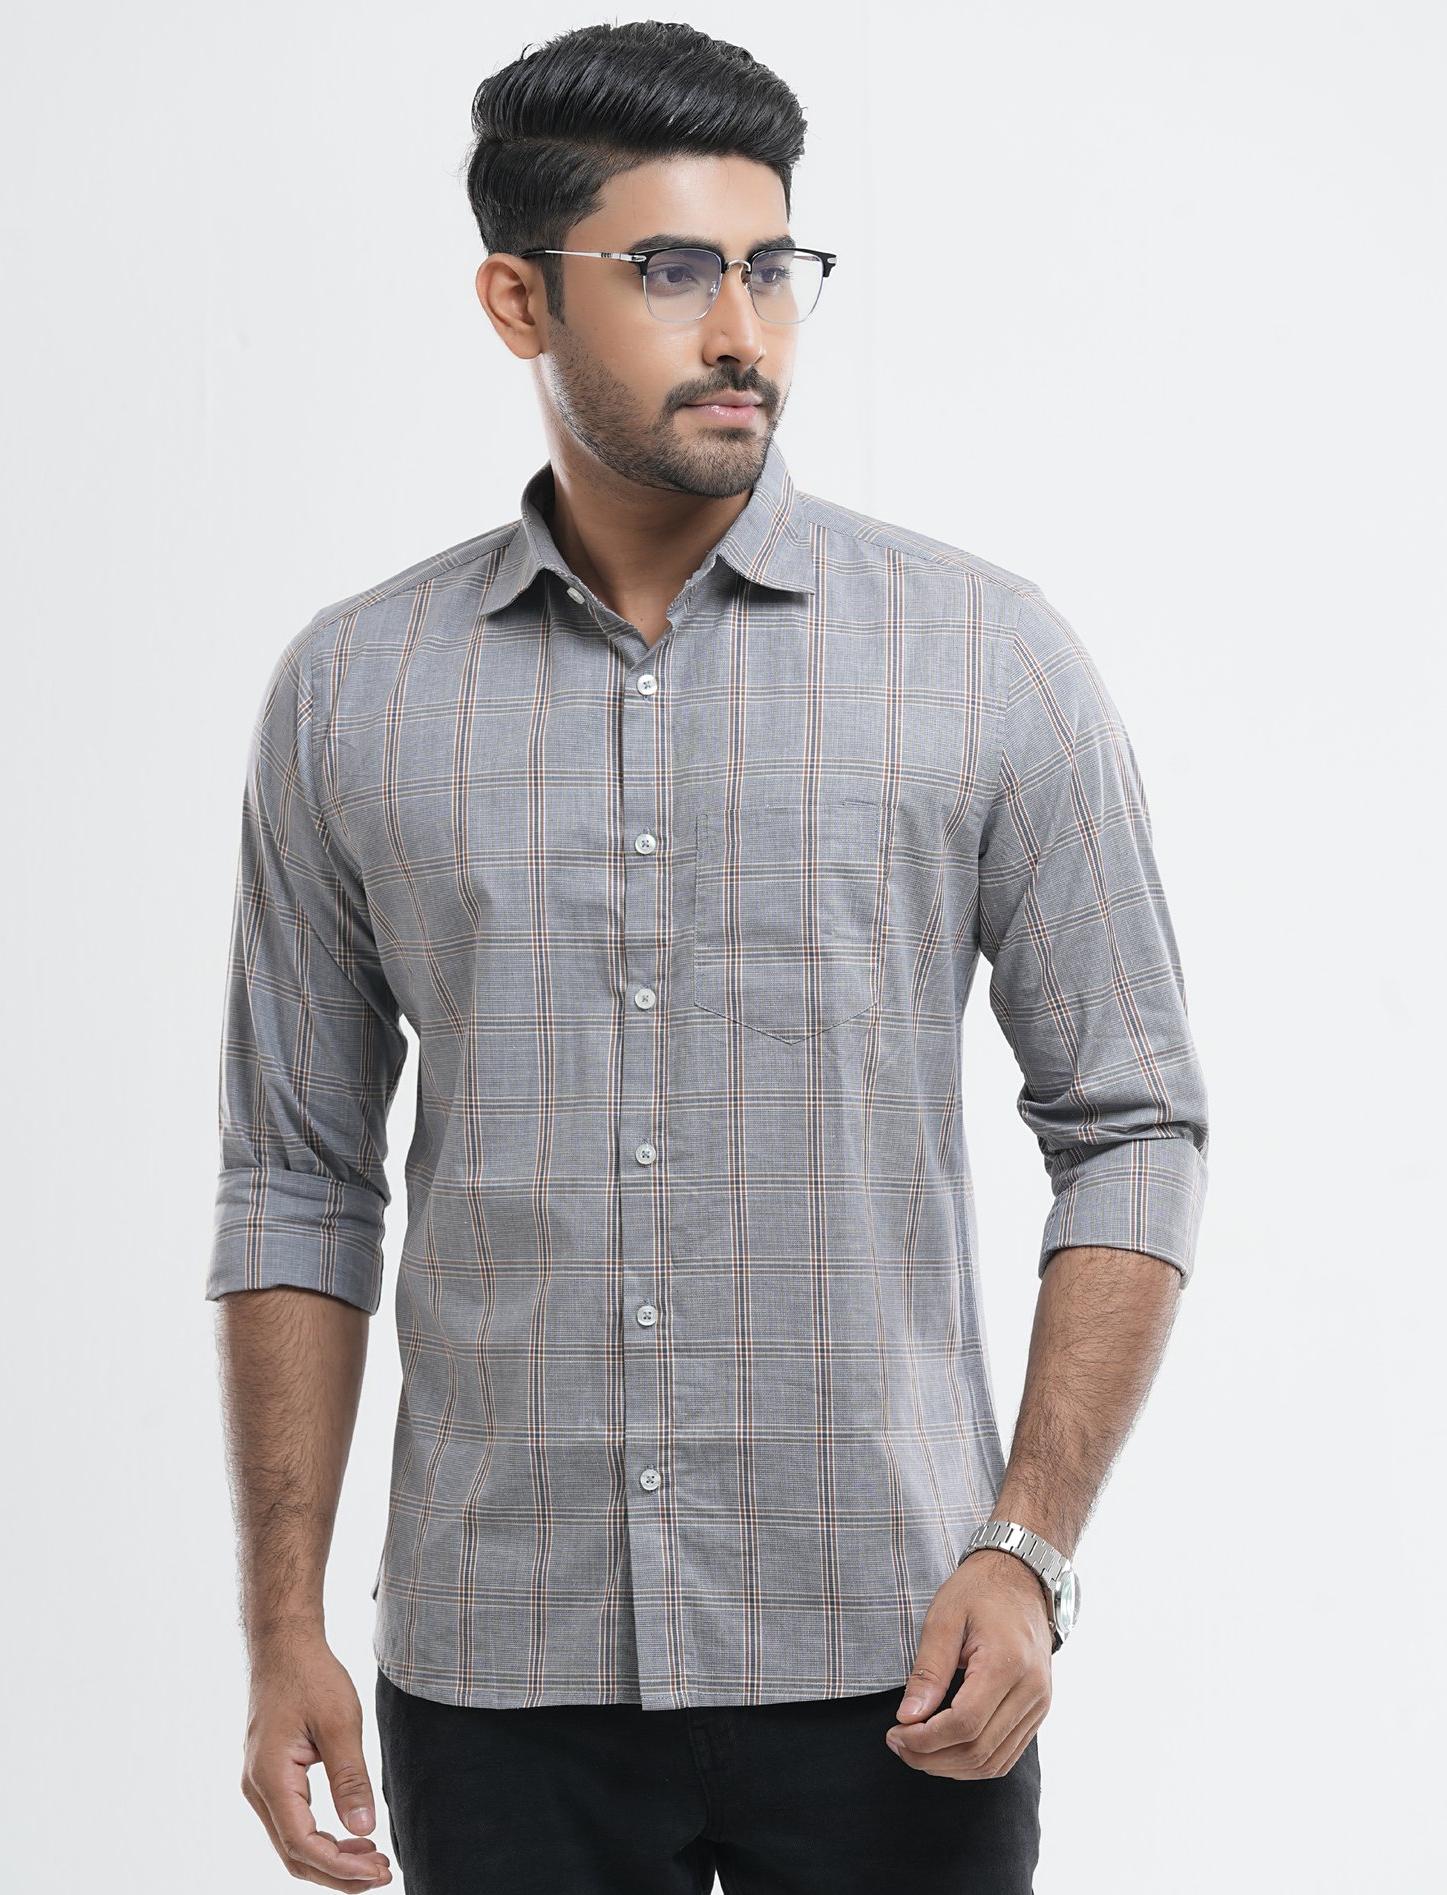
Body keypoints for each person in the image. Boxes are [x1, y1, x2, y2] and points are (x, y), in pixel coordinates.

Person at [205, 19, 1209, 1893]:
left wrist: (1031, 1546)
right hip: (498, 1670)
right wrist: (282, 1626)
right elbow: (295, 1177)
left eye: (771, 264)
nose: (745, 327)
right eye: (671, 270)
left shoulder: (985, 659)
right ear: (519, 298)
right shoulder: (356, 692)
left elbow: (1135, 1120)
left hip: (898, 1651)